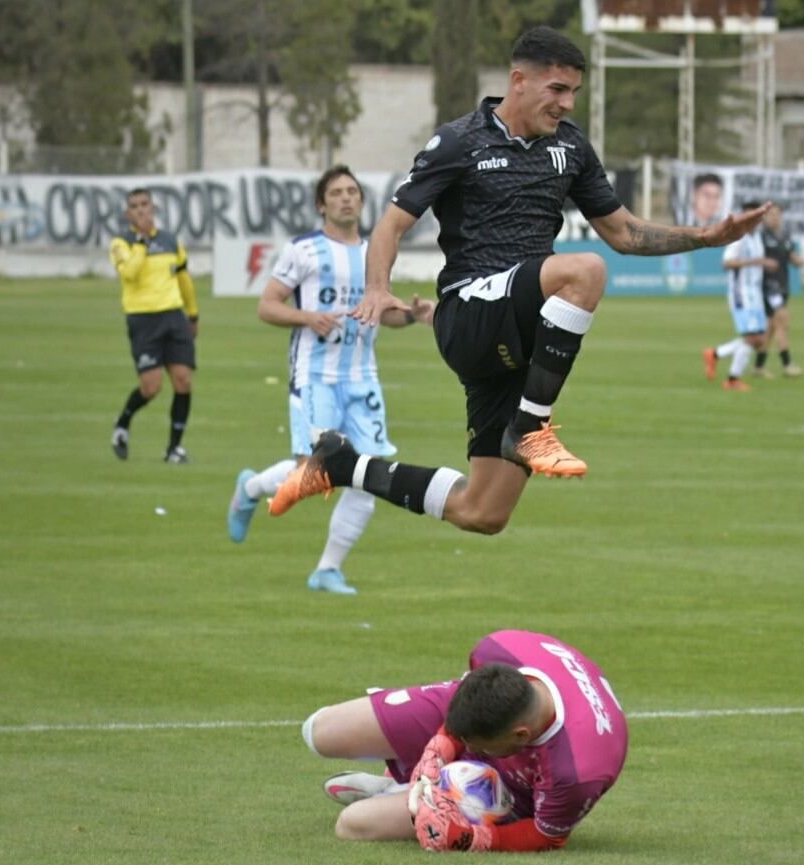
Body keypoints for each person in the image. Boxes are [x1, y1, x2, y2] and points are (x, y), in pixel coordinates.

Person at [266, 26, 768, 536]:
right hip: (469, 312)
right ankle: (530, 428)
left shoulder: (571, 148)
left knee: (483, 512)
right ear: (519, 80)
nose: (568, 103)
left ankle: (339, 465)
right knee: (586, 270)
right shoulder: (460, 140)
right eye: (558, 89)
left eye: (574, 92)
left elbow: (623, 231)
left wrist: (706, 236)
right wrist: (377, 287)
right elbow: (392, 223)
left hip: (517, 339)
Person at [226, 166, 433, 595]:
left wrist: (411, 315)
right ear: (322, 203)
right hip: (315, 375)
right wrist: (307, 317)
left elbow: (383, 313)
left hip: (363, 378)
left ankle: (327, 570)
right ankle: (250, 487)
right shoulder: (303, 250)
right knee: (315, 473)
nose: (346, 198)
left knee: (370, 474)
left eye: (352, 191)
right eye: (336, 192)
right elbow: (268, 306)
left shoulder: (375, 252)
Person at [304, 629, 627, 852]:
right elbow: (471, 704)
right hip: (470, 712)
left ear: (521, 737)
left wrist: (472, 838)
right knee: (319, 731)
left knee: (352, 824)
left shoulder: (577, 771)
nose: (473, 750)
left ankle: (401, 787)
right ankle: (415, 780)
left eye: (481, 748)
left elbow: (546, 836)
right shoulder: (500, 649)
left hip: (515, 789)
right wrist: (441, 745)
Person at [107, 188, 199, 464]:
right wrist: (142, 241)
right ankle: (122, 424)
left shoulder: (171, 241)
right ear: (128, 213)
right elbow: (130, 274)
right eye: (134, 206)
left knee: (183, 380)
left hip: (173, 316)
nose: (141, 210)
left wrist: (192, 314)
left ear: (153, 208)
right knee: (151, 388)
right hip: (143, 319)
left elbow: (183, 279)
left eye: (144, 205)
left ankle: (174, 449)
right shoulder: (121, 244)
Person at [701, 201, 770, 392]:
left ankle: (715, 355)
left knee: (760, 338)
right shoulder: (739, 237)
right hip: (742, 295)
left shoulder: (757, 237)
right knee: (753, 338)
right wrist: (754, 261)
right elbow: (727, 263)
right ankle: (732, 379)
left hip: (754, 294)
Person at [754, 206, 804, 379]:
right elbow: (753, 259)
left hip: (783, 285)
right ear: (764, 218)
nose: (775, 218)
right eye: (771, 215)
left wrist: (799, 261)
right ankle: (787, 364)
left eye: (777, 214)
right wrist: (763, 262)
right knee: (783, 320)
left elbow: (791, 256)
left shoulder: (784, 236)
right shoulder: (760, 237)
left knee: (771, 327)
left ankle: (758, 367)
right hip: (769, 286)